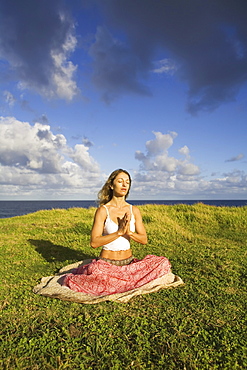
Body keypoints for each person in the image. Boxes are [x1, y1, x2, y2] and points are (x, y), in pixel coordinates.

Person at [63, 169, 175, 296]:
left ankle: (121, 282)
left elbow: (144, 239)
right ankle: (127, 283)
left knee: (162, 262)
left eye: (127, 182)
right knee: (93, 270)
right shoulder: (103, 210)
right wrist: (119, 232)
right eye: (120, 181)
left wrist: (129, 233)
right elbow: (94, 242)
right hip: (106, 264)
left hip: (129, 264)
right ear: (111, 185)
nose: (124, 185)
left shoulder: (134, 210)